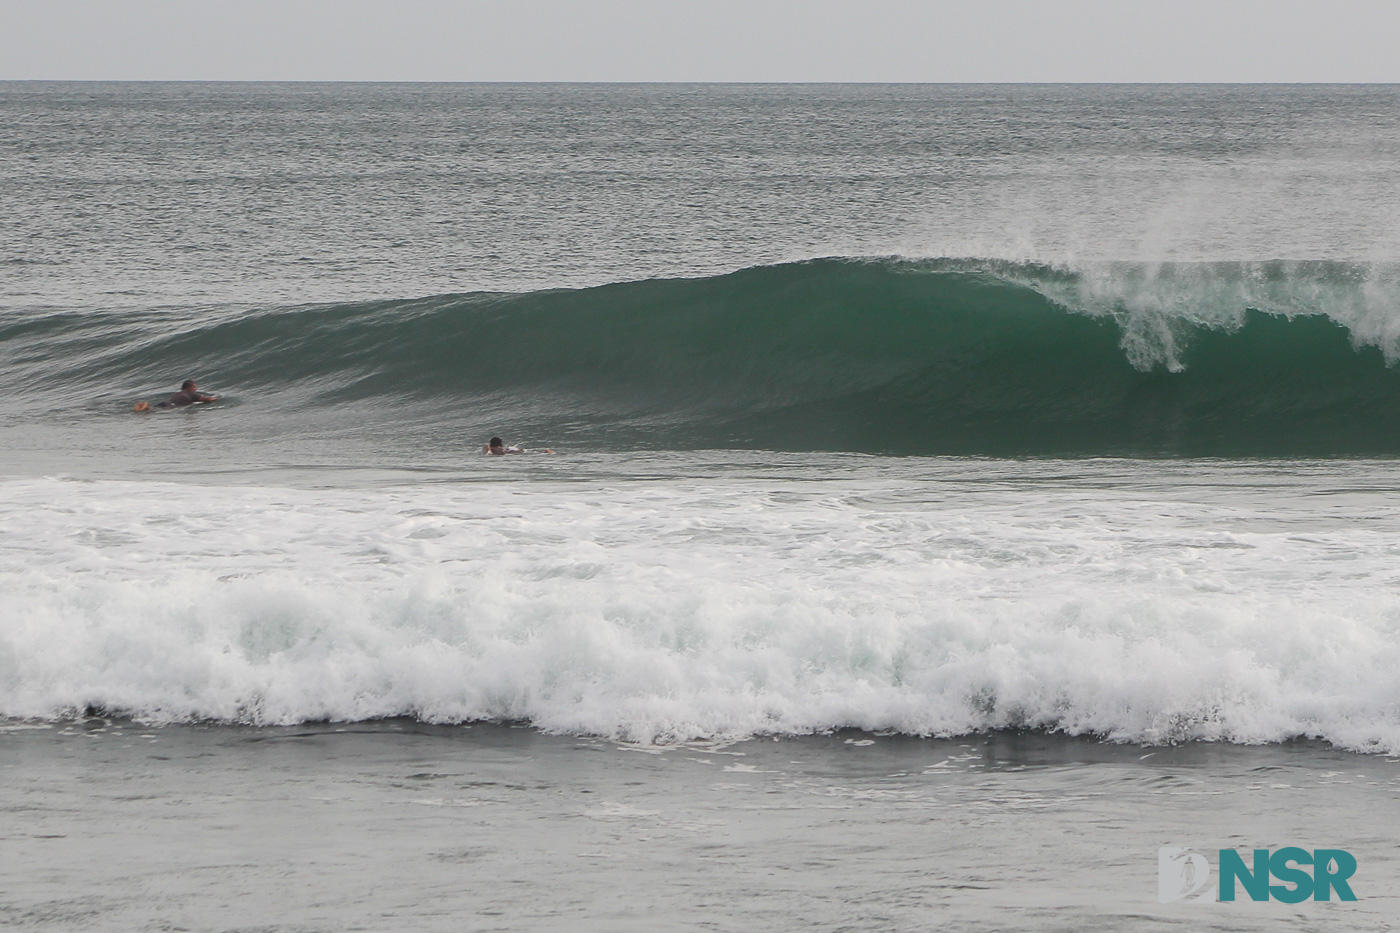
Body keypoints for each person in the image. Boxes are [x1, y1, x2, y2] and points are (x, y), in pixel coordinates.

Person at [133, 380, 220, 412]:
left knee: (153, 409)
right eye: (194, 387)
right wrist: (217, 398)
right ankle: (145, 407)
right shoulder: (191, 394)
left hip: (165, 403)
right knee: (154, 412)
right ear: (189, 387)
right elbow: (208, 399)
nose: (195, 389)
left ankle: (144, 406)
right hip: (171, 407)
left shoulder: (177, 393)